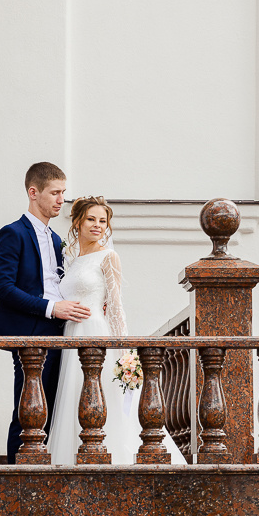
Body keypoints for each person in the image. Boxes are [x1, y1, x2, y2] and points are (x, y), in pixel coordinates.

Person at [48, 196, 186, 466]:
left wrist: (126, 354)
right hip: (71, 337)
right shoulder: (72, 260)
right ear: (77, 222)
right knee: (73, 399)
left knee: (104, 399)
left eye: (103, 221)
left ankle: (114, 460)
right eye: (91, 219)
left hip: (96, 333)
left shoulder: (109, 257)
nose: (97, 225)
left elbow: (115, 307)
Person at [0, 162, 91, 463]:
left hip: (61, 333)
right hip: (29, 333)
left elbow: (63, 285)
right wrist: (51, 308)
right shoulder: (12, 233)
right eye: (55, 192)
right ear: (34, 193)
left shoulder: (57, 240)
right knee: (28, 412)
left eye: (63, 192)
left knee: (55, 410)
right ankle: (14, 477)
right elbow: (3, 289)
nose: (61, 199)